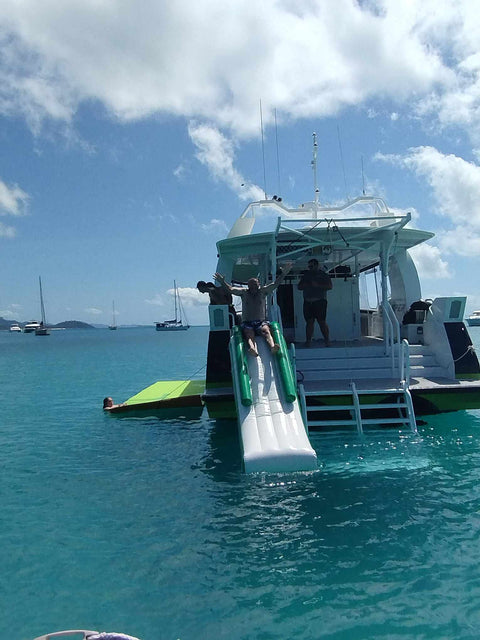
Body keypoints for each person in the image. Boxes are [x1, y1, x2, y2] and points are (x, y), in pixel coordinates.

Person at [214, 262, 292, 356]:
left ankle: (272, 346)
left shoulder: (263, 291)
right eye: (251, 285)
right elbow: (230, 289)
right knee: (249, 333)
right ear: (248, 286)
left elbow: (275, 284)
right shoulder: (244, 293)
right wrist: (222, 282)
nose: (253, 287)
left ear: (258, 284)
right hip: (248, 322)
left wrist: (283, 274)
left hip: (260, 322)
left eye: (255, 284)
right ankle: (252, 348)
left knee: (266, 331)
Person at [298, 257, 332, 347]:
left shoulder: (323, 275)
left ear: (317, 265)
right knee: (309, 322)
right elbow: (299, 287)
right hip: (308, 302)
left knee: (321, 321)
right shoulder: (306, 275)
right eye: (309, 266)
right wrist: (306, 284)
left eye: (312, 266)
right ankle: (308, 341)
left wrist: (318, 285)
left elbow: (329, 286)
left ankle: (327, 340)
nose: (310, 268)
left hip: (319, 301)